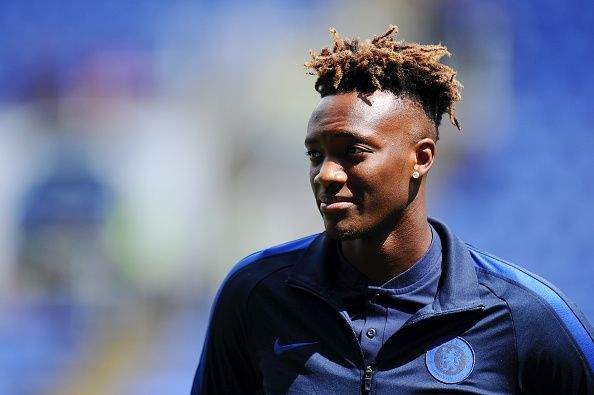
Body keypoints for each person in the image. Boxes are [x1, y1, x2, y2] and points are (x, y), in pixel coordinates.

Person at [191, 25, 594, 394]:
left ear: (420, 158)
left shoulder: (525, 316)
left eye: (354, 152)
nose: (326, 174)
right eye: (316, 155)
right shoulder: (255, 294)